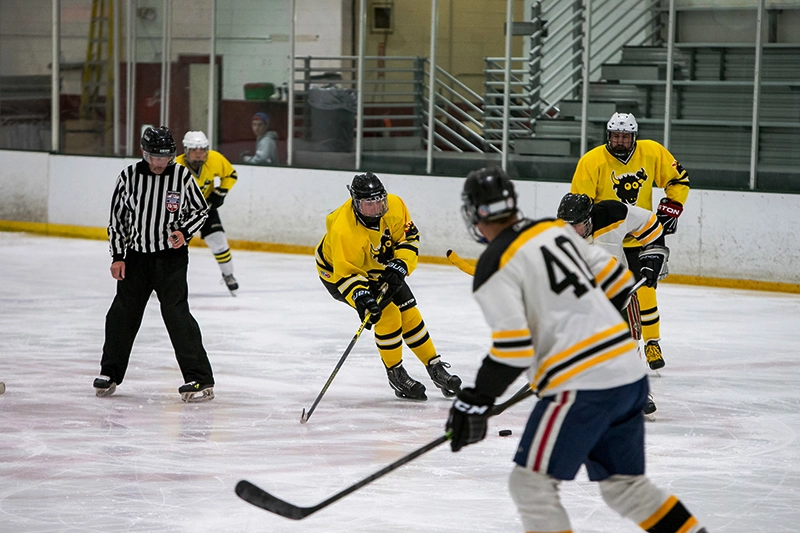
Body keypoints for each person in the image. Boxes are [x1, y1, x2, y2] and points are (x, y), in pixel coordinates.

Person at [447, 167, 707, 533]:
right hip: (629, 377)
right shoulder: (554, 233)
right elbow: (618, 285)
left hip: (583, 387)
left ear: (475, 215)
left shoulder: (494, 265)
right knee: (627, 489)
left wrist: (474, 400)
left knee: (530, 484)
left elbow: (513, 348)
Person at [93, 126, 216, 403]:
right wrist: (117, 256)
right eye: (155, 156)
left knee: (177, 315)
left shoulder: (182, 175)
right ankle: (110, 373)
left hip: (170, 260)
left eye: (166, 157)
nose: (161, 162)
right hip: (135, 258)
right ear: (144, 153)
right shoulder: (129, 176)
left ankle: (200, 378)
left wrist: (184, 232)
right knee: (122, 315)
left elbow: (200, 210)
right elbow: (118, 220)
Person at [316, 172, 462, 401]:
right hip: (338, 273)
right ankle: (396, 373)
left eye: (379, 202)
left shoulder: (395, 205)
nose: (376, 210)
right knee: (388, 314)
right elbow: (346, 274)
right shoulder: (343, 230)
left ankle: (434, 366)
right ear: (356, 203)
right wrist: (361, 297)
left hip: (380, 268)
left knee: (410, 312)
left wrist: (401, 265)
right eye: (368, 205)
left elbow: (409, 238)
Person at [570, 112, 689, 371]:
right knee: (613, 297)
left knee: (646, 291)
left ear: (634, 136)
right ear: (608, 135)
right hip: (606, 241)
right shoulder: (591, 161)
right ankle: (620, 352)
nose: (620, 140)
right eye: (615, 136)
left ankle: (652, 343)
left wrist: (672, 206)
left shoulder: (652, 152)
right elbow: (581, 207)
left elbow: (678, 180)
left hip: (640, 236)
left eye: (625, 136)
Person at [557, 192, 670, 416]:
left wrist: (654, 254)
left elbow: (649, 222)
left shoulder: (612, 214)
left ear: (588, 219)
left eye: (576, 225)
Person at [176, 131, 240, 295]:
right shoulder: (175, 167)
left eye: (202, 150)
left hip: (205, 209)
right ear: (186, 151)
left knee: (218, 240)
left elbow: (231, 175)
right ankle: (162, 280)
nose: (199, 154)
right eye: (195, 151)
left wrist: (221, 192)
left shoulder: (214, 159)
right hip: (180, 214)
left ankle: (228, 275)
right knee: (171, 247)